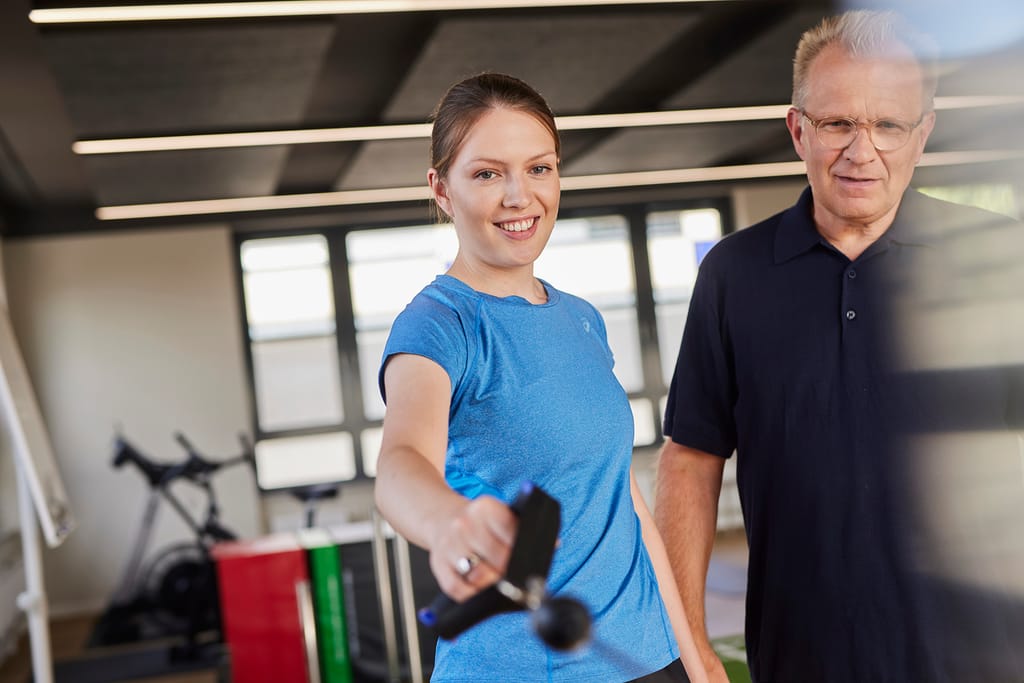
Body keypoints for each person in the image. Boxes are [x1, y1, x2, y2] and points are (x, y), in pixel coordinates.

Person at [655, 9, 1024, 683]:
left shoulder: (1002, 260)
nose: (863, 150)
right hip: (804, 658)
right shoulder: (733, 275)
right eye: (838, 123)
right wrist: (689, 639)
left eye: (888, 124)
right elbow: (690, 459)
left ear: (923, 133)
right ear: (798, 129)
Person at [374, 73, 708, 683]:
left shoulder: (580, 318)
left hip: (645, 655)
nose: (518, 196)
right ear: (441, 190)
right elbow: (400, 463)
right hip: (527, 666)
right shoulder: (438, 325)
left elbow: (623, 499)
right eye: (486, 173)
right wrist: (451, 522)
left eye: (539, 168)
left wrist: (694, 656)